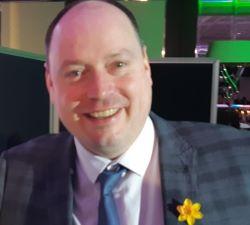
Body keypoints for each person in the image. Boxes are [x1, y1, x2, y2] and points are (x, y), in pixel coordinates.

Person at [0, 1, 250, 225]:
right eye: (76, 72)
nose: (99, 91)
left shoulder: (240, 160)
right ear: (50, 83)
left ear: (145, 67)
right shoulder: (11, 175)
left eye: (118, 65)